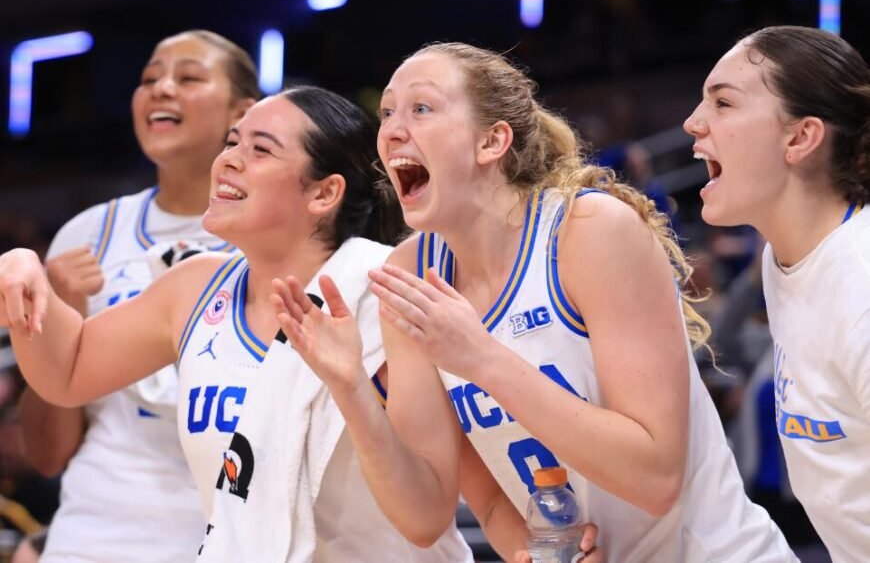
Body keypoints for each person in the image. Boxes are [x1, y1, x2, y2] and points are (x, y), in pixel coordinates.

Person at [271, 41, 797, 562]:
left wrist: (482, 359)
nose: (391, 130)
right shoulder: (411, 273)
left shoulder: (587, 230)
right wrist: (351, 387)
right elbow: (430, 514)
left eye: (421, 108)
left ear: (491, 141)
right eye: (387, 112)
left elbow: (655, 478)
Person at [0, 86, 495, 561]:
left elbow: (425, 519)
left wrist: (351, 388)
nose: (228, 160)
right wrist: (22, 272)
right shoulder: (193, 286)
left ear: (324, 193)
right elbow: (66, 370)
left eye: (260, 149)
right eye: (232, 142)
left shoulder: (390, 294)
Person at [15, 29, 259, 563]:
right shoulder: (87, 236)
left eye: (189, 77)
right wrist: (61, 323)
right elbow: (48, 455)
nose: (161, 89)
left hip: (228, 539)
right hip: (91, 536)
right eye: (149, 79)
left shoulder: (277, 238)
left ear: (244, 113)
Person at [683, 25, 870, 561]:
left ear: (800, 137)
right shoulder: (783, 260)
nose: (693, 122)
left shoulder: (861, 285)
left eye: (722, 102)